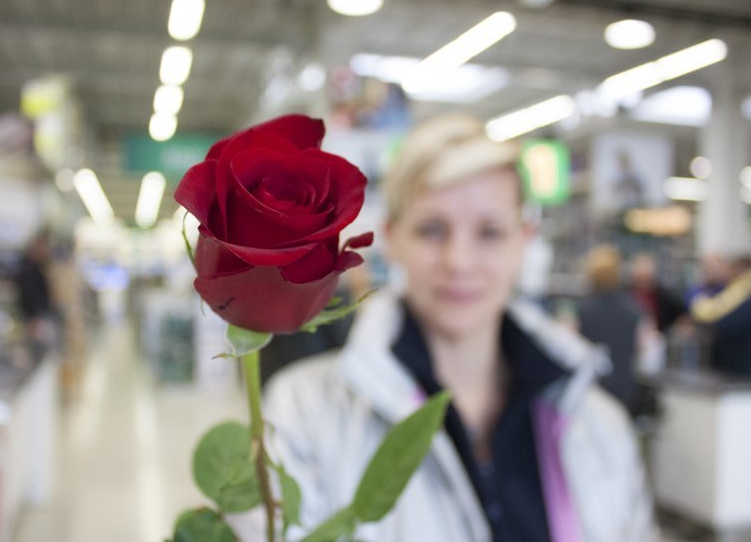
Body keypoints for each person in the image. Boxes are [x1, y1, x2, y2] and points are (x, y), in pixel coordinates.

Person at [264, 114, 657, 541]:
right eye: (432, 230)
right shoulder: (303, 412)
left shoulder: (600, 425)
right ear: (393, 239)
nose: (459, 261)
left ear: (523, 240)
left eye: (489, 232)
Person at [576, 245, 651, 412]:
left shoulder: (584, 310)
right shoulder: (633, 308)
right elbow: (643, 347)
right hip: (624, 390)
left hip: (593, 391)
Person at [691, 255, 751, 376]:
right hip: (728, 365)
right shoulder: (720, 291)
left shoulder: (740, 294)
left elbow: (725, 324)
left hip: (739, 368)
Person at [628, 252, 686, 334]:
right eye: (641, 278)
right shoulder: (626, 295)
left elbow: (679, 314)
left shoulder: (663, 296)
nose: (644, 281)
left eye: (646, 277)